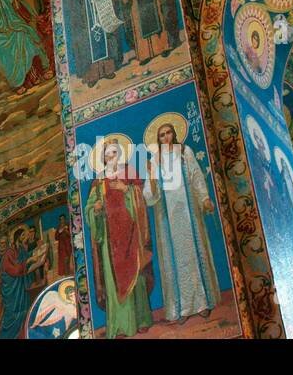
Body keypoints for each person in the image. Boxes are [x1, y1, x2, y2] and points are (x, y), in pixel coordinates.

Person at [142, 123, 220, 322]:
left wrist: (204, 198)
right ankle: (182, 309)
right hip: (168, 219)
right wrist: (151, 176)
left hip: (188, 213)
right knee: (173, 260)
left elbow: (196, 176)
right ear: (158, 139)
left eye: (168, 133)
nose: (166, 137)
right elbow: (151, 194)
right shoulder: (155, 159)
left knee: (194, 254)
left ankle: (202, 303)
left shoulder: (185, 152)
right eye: (161, 135)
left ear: (174, 134)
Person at [85, 140, 153, 337]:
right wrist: (95, 210)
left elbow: (141, 197)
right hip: (109, 238)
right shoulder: (98, 181)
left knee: (136, 276)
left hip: (131, 232)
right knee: (113, 281)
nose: (111, 156)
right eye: (107, 153)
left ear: (120, 154)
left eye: (114, 152)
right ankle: (120, 325)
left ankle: (140, 319)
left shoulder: (129, 173)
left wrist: (127, 190)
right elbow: (90, 208)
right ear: (103, 157)